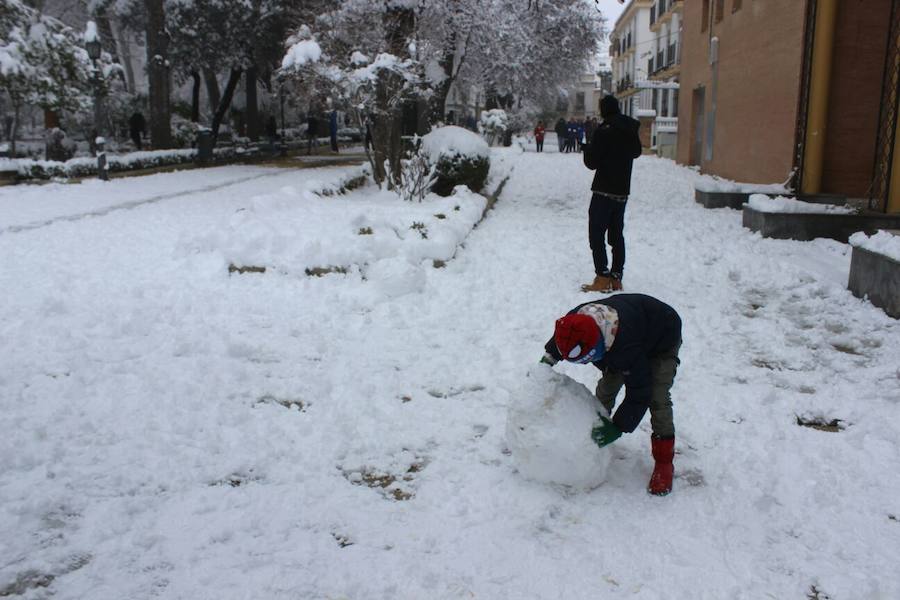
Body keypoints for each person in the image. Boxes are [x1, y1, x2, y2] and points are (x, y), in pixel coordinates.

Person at [541, 293, 682, 496]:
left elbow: (639, 392)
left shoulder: (625, 347)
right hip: (624, 335)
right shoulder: (575, 321)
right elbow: (562, 339)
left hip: (662, 335)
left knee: (657, 396)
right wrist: (546, 361)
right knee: (606, 387)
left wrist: (619, 427)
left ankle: (664, 461)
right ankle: (591, 437)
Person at [581, 95, 642, 293]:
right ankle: (616, 277)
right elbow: (636, 153)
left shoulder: (604, 131)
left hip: (603, 191)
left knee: (596, 233)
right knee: (617, 235)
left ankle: (602, 275)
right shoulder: (630, 130)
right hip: (622, 191)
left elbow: (592, 163)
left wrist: (587, 149)